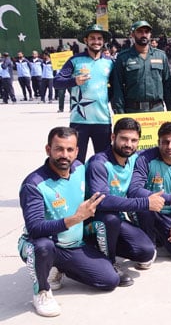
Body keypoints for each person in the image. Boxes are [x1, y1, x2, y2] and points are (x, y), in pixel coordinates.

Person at [18, 127, 119, 317]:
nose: (65, 155)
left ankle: (58, 266)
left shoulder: (80, 168)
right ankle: (41, 291)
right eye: (59, 149)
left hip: (73, 245)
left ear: (77, 151)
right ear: (48, 150)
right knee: (42, 246)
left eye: (70, 149)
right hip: (44, 243)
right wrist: (76, 218)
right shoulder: (34, 184)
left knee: (109, 281)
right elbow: (34, 228)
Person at [85, 118, 161, 287]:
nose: (128, 144)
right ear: (113, 137)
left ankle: (97, 248)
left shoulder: (133, 157)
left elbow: (163, 149)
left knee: (146, 252)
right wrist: (144, 203)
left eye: (134, 140)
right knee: (110, 217)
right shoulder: (99, 163)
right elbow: (101, 202)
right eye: (124, 139)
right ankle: (109, 261)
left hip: (115, 219)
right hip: (92, 220)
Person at [129, 122, 171, 259]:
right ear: (158, 142)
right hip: (148, 211)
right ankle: (149, 241)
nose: (169, 147)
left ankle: (157, 234)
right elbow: (134, 190)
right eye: (165, 142)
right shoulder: (145, 159)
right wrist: (170, 199)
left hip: (169, 213)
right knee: (146, 207)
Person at [54, 24, 114, 164]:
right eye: (92, 38)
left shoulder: (110, 63)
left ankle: (99, 186)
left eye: (99, 38)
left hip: (103, 120)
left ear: (103, 41)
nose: (96, 41)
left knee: (103, 161)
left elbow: (115, 88)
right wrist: (74, 81)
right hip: (79, 120)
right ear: (86, 40)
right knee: (75, 161)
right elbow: (57, 82)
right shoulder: (75, 60)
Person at [111, 21, 171, 114]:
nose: (144, 34)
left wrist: (170, 110)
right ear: (132, 34)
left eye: (146, 32)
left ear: (150, 34)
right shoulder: (123, 57)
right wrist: (120, 112)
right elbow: (117, 87)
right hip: (132, 111)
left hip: (157, 111)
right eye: (140, 32)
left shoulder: (160, 55)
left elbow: (167, 85)